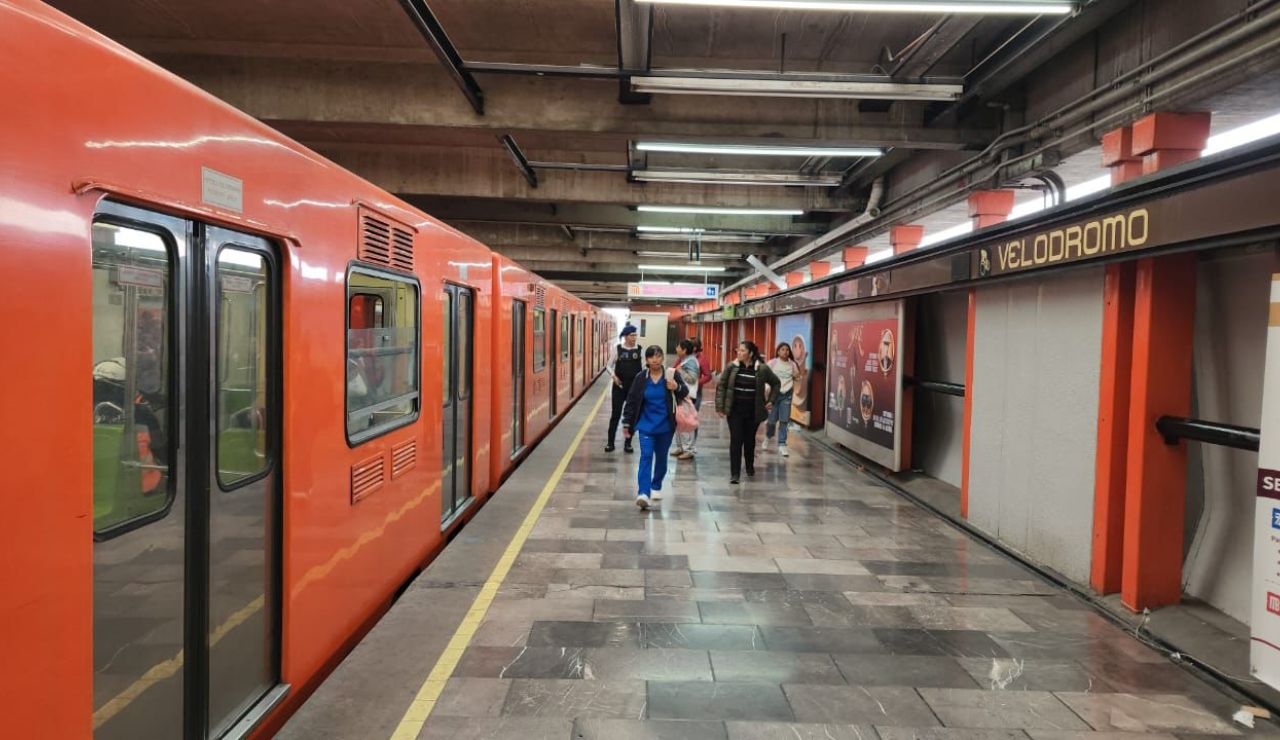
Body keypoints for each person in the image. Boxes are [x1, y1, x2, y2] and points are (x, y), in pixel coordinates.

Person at [621, 345, 688, 510]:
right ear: (646, 360)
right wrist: (626, 422)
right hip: (646, 426)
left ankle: (656, 484)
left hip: (665, 426)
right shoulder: (641, 378)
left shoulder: (671, 374)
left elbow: (684, 391)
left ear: (663, 358)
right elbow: (631, 400)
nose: (655, 360)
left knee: (662, 458)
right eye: (651, 357)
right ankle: (643, 493)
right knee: (646, 456)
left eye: (658, 356)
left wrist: (676, 387)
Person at [715, 341, 780, 484]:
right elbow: (722, 386)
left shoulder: (762, 369)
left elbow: (776, 383)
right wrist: (720, 406)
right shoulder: (731, 367)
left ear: (750, 353)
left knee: (749, 440)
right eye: (738, 350)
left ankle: (749, 465)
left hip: (753, 412)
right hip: (735, 411)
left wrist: (772, 400)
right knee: (736, 439)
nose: (739, 353)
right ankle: (735, 474)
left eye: (742, 350)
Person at [605, 324, 643, 453]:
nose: (634, 338)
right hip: (619, 387)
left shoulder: (640, 350)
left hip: (634, 389)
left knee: (631, 416)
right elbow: (608, 366)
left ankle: (628, 443)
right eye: (632, 335)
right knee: (615, 415)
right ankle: (610, 443)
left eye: (635, 335)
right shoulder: (617, 349)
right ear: (625, 337)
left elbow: (644, 368)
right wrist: (614, 376)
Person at [763, 342, 800, 457]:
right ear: (778, 351)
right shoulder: (772, 363)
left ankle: (782, 444)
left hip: (786, 395)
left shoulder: (792, 364)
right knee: (772, 420)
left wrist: (797, 375)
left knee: (784, 420)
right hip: (774, 395)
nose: (785, 352)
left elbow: (798, 377)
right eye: (782, 349)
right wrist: (767, 387)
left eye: (787, 350)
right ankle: (768, 437)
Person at [670, 339, 701, 460]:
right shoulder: (685, 360)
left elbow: (692, 379)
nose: (676, 349)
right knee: (680, 422)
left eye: (678, 347)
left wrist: (680, 371)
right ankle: (681, 447)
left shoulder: (691, 362)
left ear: (684, 350)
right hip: (680, 395)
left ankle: (689, 449)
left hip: (687, 396)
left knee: (686, 423)